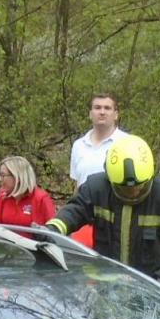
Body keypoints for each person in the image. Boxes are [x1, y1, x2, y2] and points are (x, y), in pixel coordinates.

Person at [42, 134, 160, 288]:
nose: (133, 193)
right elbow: (74, 212)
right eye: (124, 189)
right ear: (110, 179)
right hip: (105, 288)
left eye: (138, 187)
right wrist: (52, 230)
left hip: (151, 294)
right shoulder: (97, 189)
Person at [68, 93, 127, 248]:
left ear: (116, 114)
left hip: (113, 219)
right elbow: (77, 185)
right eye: (97, 107)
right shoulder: (79, 145)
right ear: (90, 114)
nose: (102, 112)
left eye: (107, 108)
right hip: (85, 220)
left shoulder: (126, 143)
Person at [0, 156, 56, 229]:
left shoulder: (40, 198)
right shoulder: (2, 195)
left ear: (17, 176)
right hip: (6, 245)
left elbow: (53, 232)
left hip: (32, 245)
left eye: (3, 175)